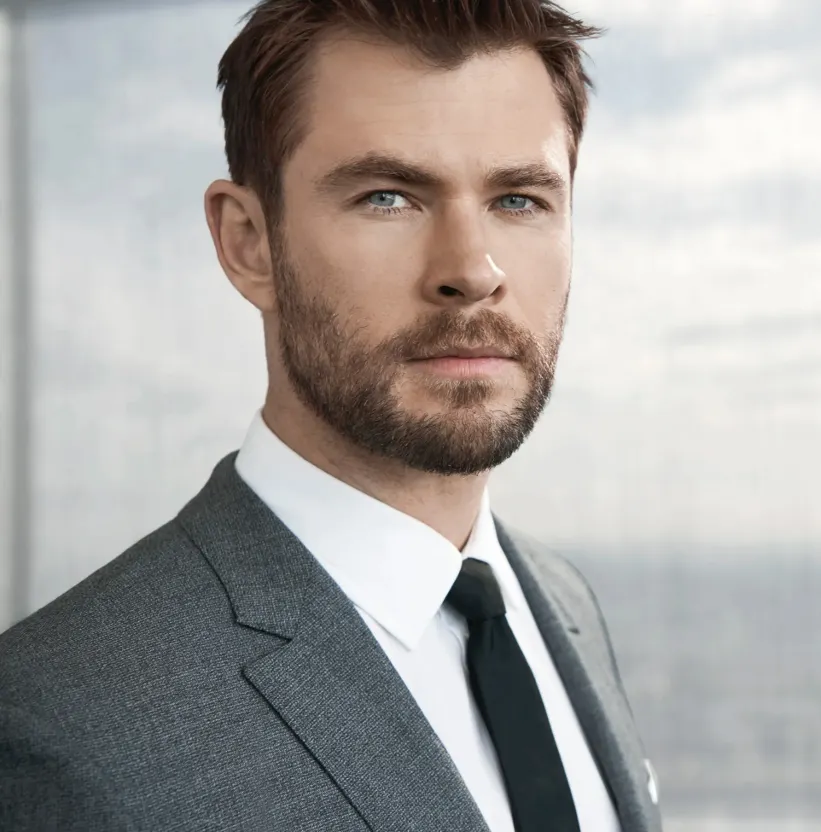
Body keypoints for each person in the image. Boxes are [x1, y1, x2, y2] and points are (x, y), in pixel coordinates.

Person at [0, 1, 661, 830]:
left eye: (520, 200)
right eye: (388, 197)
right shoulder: (59, 728)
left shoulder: (563, 604)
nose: (472, 269)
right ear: (249, 244)